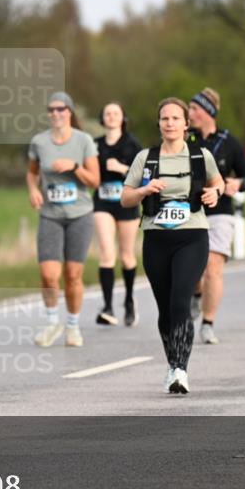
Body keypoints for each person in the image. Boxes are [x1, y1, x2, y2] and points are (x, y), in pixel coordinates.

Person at [121, 98, 223, 394]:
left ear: (185, 124)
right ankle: (173, 364)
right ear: (159, 124)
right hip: (156, 238)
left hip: (192, 235)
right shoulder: (146, 158)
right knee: (166, 311)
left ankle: (180, 369)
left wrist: (214, 194)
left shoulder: (200, 156)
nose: (170, 123)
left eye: (175, 118)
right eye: (164, 119)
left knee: (180, 302)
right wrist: (143, 190)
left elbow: (217, 182)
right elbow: (125, 198)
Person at [27, 91, 100, 348]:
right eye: (51, 110)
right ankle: (51, 323)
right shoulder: (39, 142)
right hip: (50, 214)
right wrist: (34, 190)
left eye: (61, 109)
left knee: (72, 274)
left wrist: (75, 167)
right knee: (48, 275)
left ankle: (72, 326)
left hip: (80, 215)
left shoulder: (84, 141)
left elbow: (95, 180)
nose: (55, 114)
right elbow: (32, 173)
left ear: (69, 112)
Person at [186, 88, 245, 345]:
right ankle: (195, 296)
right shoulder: (185, 139)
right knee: (195, 269)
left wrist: (238, 183)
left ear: (208, 112)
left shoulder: (229, 141)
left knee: (213, 268)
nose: (189, 114)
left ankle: (208, 323)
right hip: (189, 212)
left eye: (194, 109)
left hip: (220, 212)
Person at [92, 102, 142, 326]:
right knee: (106, 252)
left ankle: (130, 301)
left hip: (127, 202)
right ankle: (108, 306)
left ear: (123, 118)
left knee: (127, 255)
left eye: (115, 113)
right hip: (103, 201)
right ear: (102, 119)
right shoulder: (96, 145)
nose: (111, 117)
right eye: (107, 113)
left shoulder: (132, 144)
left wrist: (121, 168)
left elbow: (143, 174)